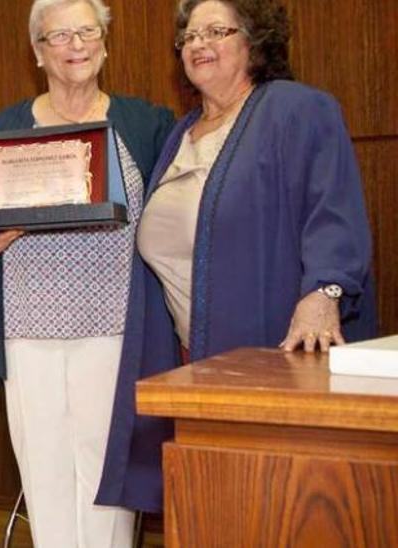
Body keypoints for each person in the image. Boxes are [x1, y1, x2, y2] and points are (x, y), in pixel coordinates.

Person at [96, 0, 377, 514]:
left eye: (216, 31)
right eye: (189, 36)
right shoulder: (180, 135)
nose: (198, 44)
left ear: (254, 40)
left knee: (281, 508)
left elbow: (333, 206)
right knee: (216, 509)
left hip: (276, 358)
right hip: (192, 365)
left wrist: (325, 290)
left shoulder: (295, 108)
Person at [0, 1, 176, 546]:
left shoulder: (147, 123)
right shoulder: (8, 124)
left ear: (104, 42)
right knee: (44, 471)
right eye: (59, 36)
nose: (75, 45)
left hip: (118, 331)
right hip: (27, 330)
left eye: (87, 32)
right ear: (37, 52)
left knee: (108, 478)